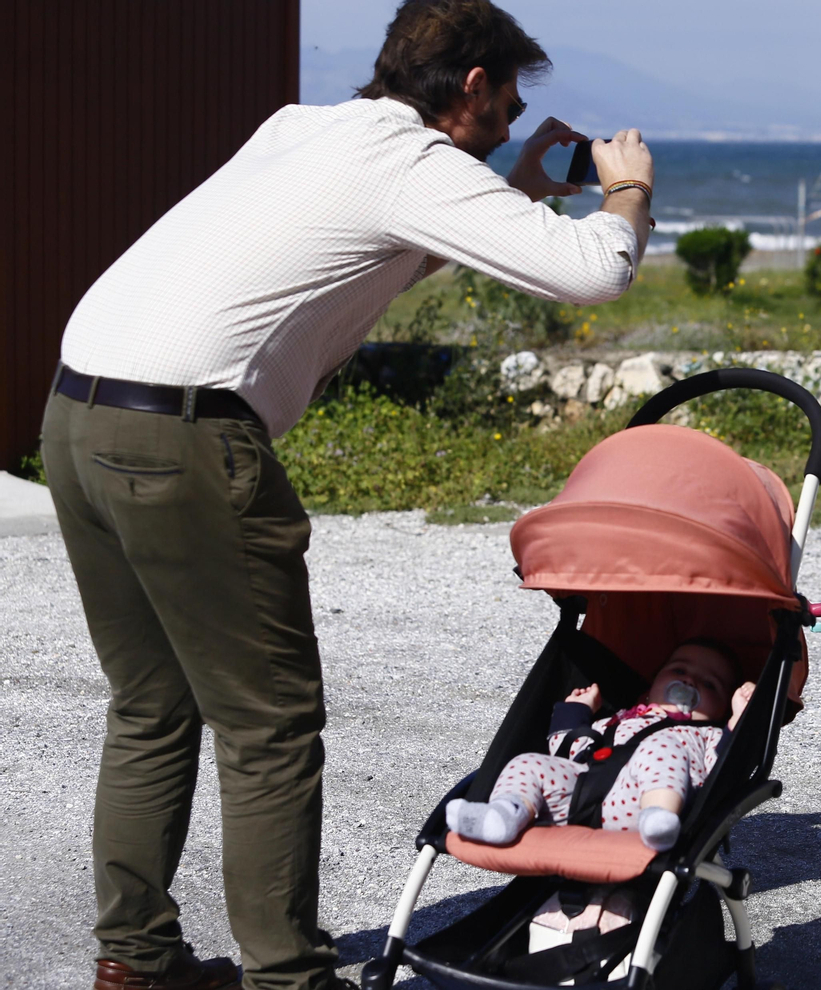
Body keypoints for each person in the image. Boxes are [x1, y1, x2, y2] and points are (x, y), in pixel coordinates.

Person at [38, 2, 655, 987]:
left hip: (76, 412)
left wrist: (511, 187)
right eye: (506, 103)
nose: (507, 123)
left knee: (149, 705)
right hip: (184, 439)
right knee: (268, 724)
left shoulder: (300, 128)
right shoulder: (414, 165)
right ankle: (288, 977)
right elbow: (595, 271)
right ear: (470, 86)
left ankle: (134, 962)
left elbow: (368, 240)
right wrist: (622, 191)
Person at [447, 639, 756, 850]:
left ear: (721, 710)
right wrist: (577, 713)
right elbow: (567, 752)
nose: (690, 682)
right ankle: (505, 814)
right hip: (572, 799)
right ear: (649, 690)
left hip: (636, 809)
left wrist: (739, 723)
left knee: (662, 747)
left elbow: (724, 768)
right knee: (528, 762)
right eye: (679, 670)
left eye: (710, 683)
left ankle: (659, 818)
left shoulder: (705, 735)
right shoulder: (616, 722)